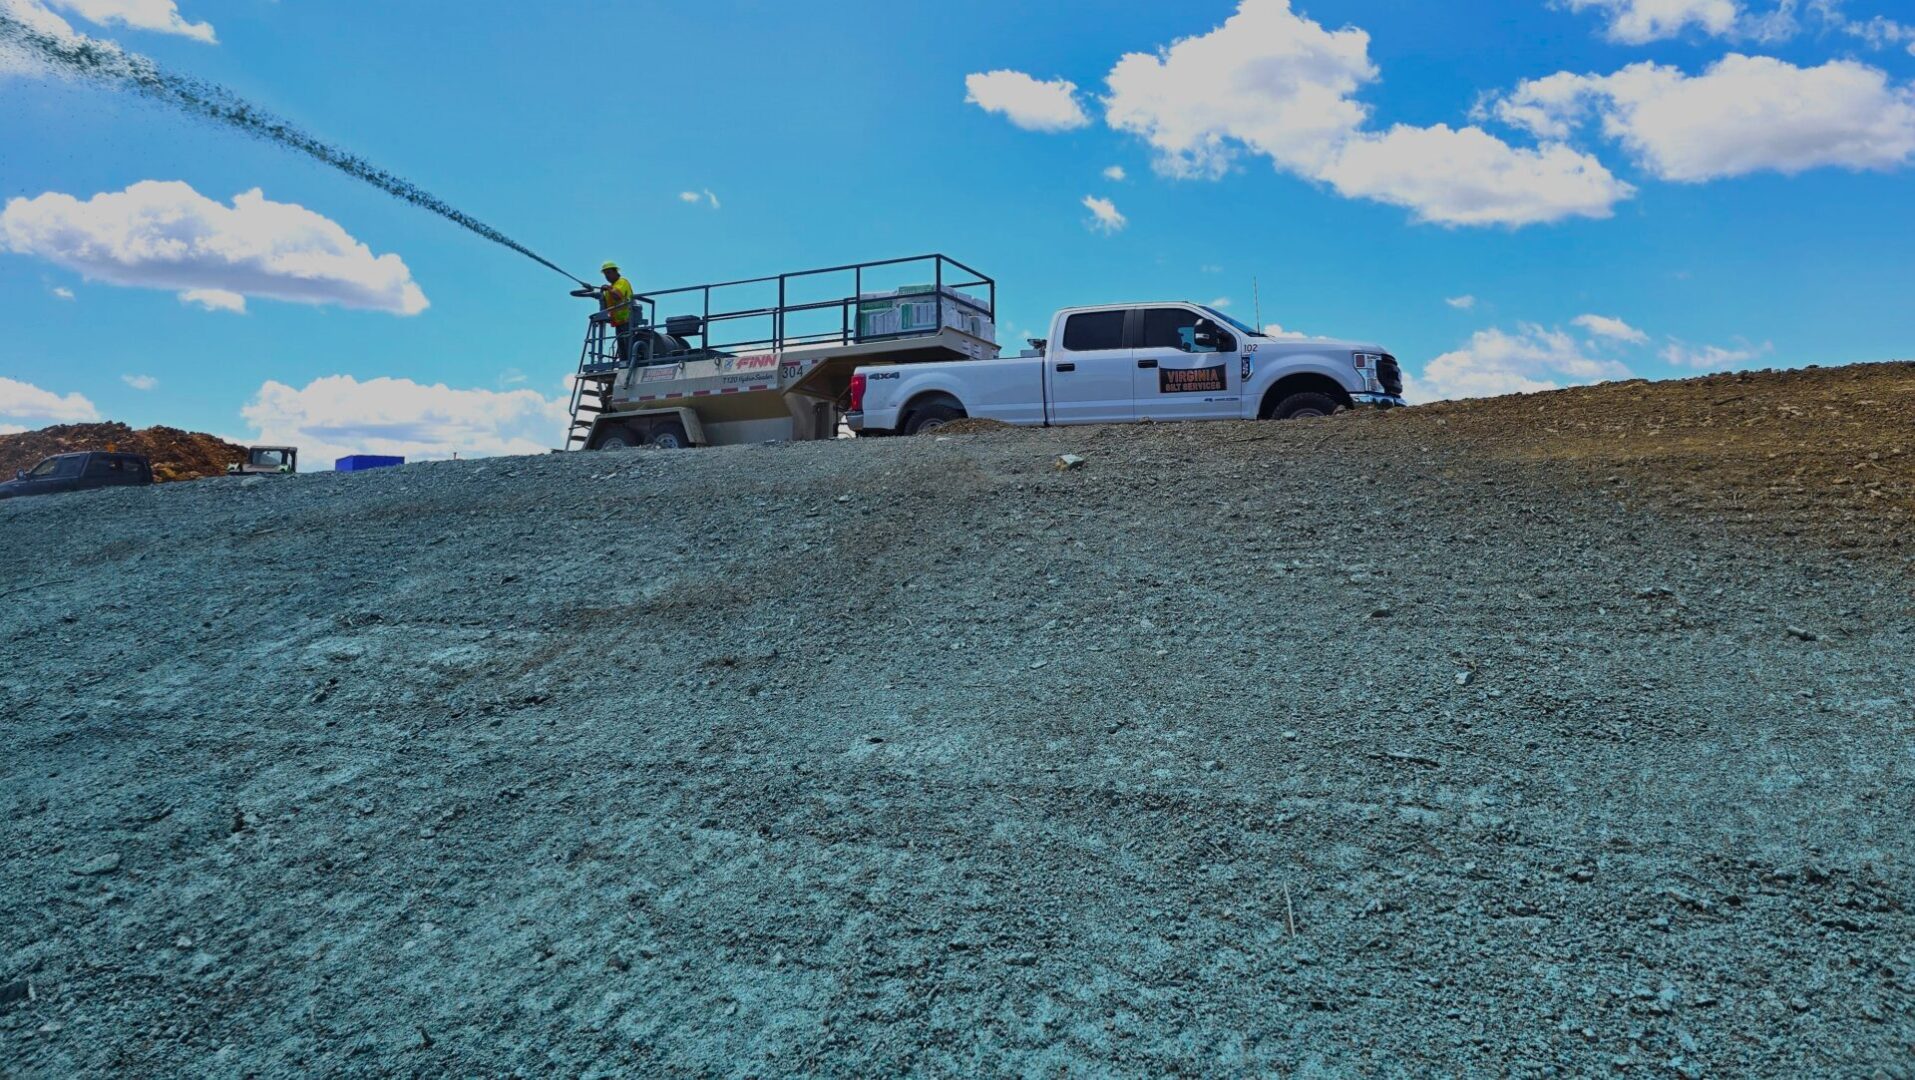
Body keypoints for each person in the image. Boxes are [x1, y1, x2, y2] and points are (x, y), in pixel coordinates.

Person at [599, 261, 635, 363]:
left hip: (628, 320)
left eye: (609, 273)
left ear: (616, 272)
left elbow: (618, 296)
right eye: (605, 274)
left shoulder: (622, 282)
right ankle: (624, 362)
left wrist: (609, 288)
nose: (607, 276)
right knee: (622, 347)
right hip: (618, 322)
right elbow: (605, 305)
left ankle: (629, 361)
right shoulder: (612, 287)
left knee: (628, 344)